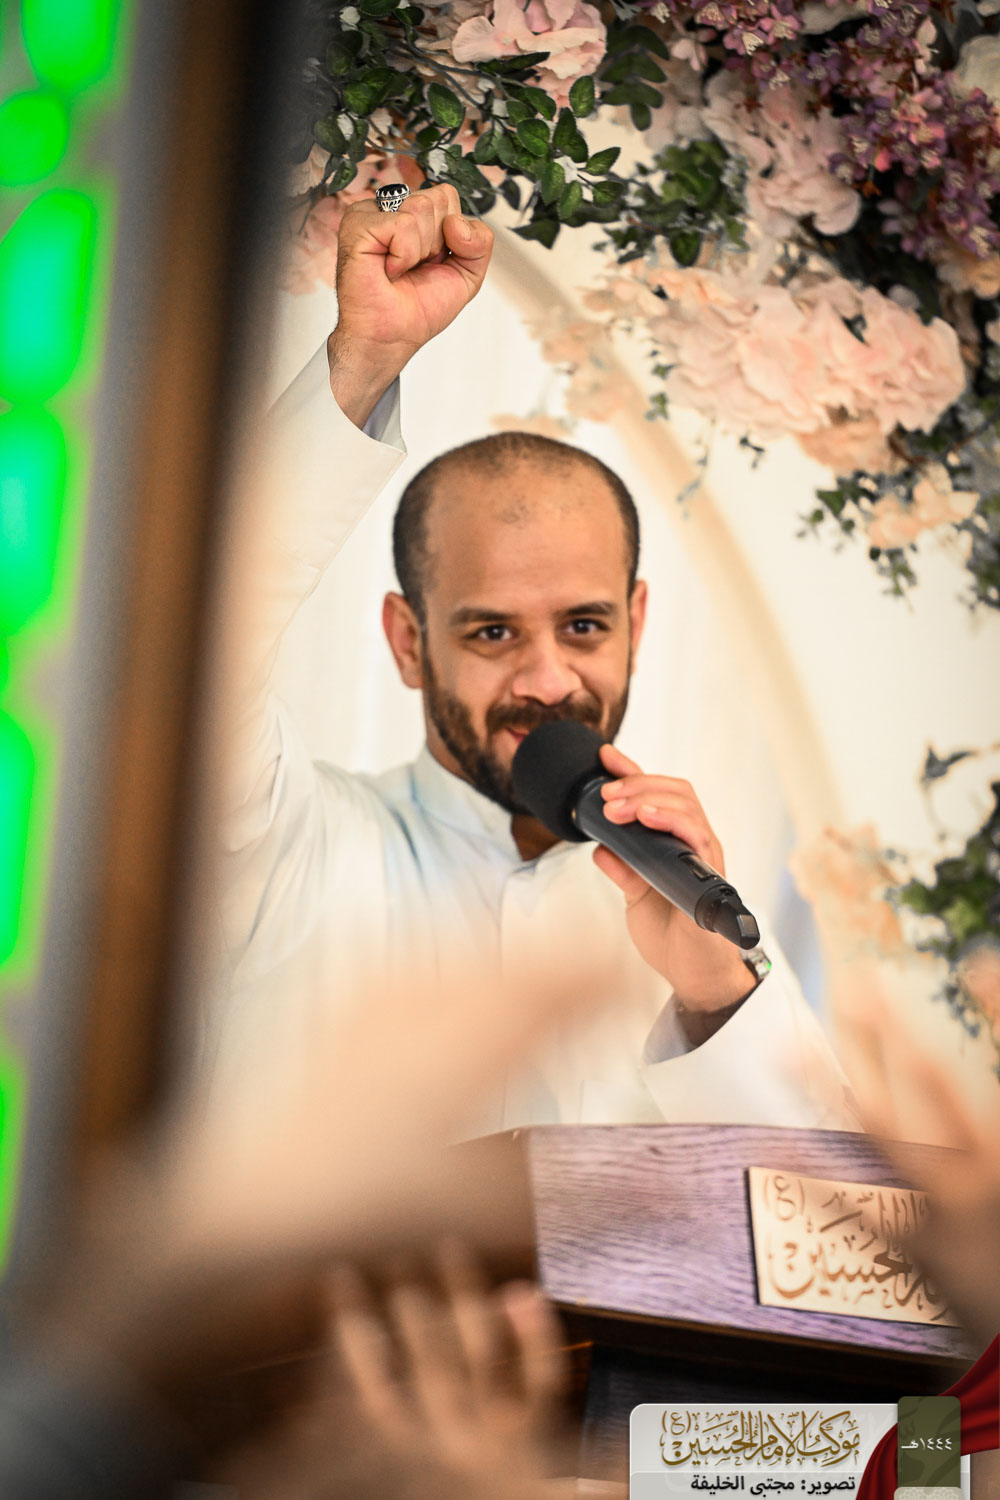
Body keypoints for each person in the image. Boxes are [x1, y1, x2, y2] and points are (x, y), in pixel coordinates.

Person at [211, 182, 854, 1133]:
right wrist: (365, 358)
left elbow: (825, 1209)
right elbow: (203, 639)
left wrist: (718, 997)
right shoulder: (289, 844)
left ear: (637, 622)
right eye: (493, 632)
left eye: (584, 627)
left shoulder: (697, 904)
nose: (549, 681)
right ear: (408, 642)